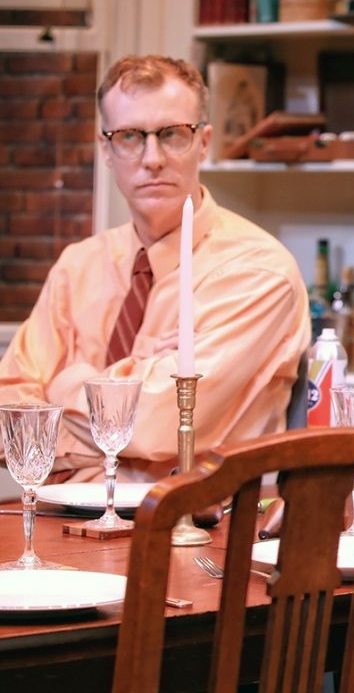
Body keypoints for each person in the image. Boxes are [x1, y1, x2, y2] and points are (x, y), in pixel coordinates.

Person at [0, 55, 310, 483]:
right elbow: (9, 418)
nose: (152, 158)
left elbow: (156, 425)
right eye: (129, 136)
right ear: (106, 150)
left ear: (203, 143)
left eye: (172, 134)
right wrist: (136, 372)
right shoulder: (79, 264)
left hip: (199, 531)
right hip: (60, 518)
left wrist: (63, 385)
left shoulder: (258, 272)